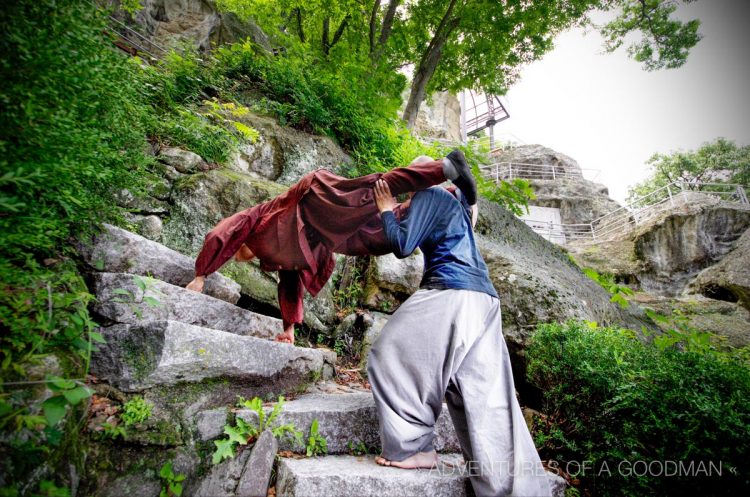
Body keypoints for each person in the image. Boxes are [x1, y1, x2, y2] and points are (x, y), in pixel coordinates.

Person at [367, 179, 552, 496]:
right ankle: (516, 488)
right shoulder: (459, 204)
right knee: (482, 394)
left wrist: (385, 210)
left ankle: (413, 448)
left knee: (389, 352)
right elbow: (467, 198)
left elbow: (402, 245)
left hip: (453, 291)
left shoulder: (430, 194)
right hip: (484, 299)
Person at [185, 150, 477, 345]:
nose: (243, 257)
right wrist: (289, 328)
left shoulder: (255, 219)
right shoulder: (281, 258)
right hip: (329, 233)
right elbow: (290, 284)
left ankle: (445, 167)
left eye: (239, 254)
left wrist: (201, 274)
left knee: (371, 192)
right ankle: (451, 197)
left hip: (312, 200)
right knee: (379, 235)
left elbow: (222, 234)